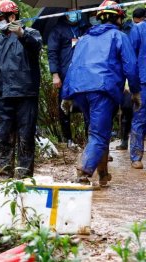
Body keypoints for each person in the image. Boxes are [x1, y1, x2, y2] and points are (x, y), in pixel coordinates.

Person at [61, 1, 141, 186]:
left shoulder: (84, 39)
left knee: (99, 130)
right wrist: (135, 92)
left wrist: (66, 95)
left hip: (81, 91)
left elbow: (72, 67)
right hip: (102, 90)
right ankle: (84, 171)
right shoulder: (119, 36)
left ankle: (103, 174)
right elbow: (130, 66)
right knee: (98, 133)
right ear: (118, 18)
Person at [0, 0, 42, 178]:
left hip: (25, 94)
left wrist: (22, 33)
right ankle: (4, 176)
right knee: (4, 137)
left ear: (12, 17)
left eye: (0, 18)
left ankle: (24, 177)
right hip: (2, 95)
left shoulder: (31, 33)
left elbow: (35, 47)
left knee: (26, 137)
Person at [47, 9, 89, 148]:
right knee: (64, 106)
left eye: (76, 11)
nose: (74, 13)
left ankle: (90, 138)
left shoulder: (86, 27)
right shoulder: (57, 30)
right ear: (65, 13)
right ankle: (68, 139)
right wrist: (55, 74)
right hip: (66, 75)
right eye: (71, 11)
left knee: (88, 105)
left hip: (85, 74)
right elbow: (52, 53)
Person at [117, 7, 146, 151]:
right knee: (135, 113)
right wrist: (128, 80)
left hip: (137, 77)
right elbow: (130, 57)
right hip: (139, 78)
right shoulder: (136, 30)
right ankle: (132, 149)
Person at [129, 8, 146, 169]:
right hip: (143, 80)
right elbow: (130, 56)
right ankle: (136, 156)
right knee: (140, 117)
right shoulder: (139, 29)